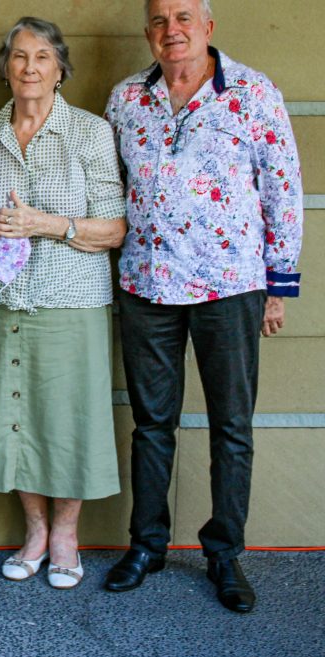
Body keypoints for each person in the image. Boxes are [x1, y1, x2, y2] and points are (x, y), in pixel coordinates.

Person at [102, 0, 302, 613]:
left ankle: (224, 553)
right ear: (149, 34)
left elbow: (283, 186)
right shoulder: (126, 99)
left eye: (184, 17)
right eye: (160, 21)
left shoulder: (253, 92)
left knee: (231, 426)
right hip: (148, 284)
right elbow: (110, 186)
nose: (172, 30)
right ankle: (148, 544)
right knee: (152, 424)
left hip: (231, 284)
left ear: (207, 27)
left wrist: (280, 283)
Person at [0, 17, 126, 590]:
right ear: (6, 68)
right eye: (20, 57)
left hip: (72, 299)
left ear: (60, 69)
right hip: (7, 301)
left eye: (43, 58)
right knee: (17, 419)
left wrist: (44, 224)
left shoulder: (90, 133)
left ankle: (66, 537)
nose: (30, 67)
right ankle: (33, 531)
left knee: (69, 421)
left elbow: (116, 229)